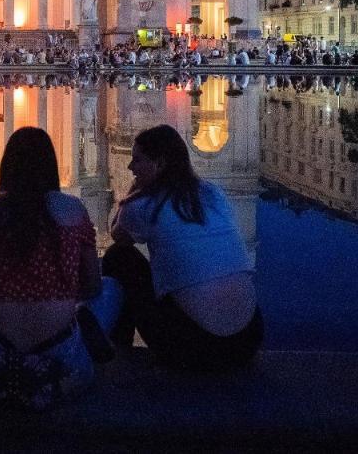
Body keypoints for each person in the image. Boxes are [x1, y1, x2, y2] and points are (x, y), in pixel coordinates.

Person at [0, 127, 123, 409]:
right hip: (61, 357)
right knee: (112, 289)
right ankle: (93, 359)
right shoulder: (73, 210)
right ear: (52, 167)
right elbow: (93, 287)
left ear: (6, 166)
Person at [103, 124, 262, 371]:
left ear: (159, 163)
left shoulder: (144, 205)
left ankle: (119, 349)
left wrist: (130, 195)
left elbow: (117, 235)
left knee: (118, 256)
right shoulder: (213, 193)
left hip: (194, 349)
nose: (130, 167)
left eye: (137, 160)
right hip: (249, 339)